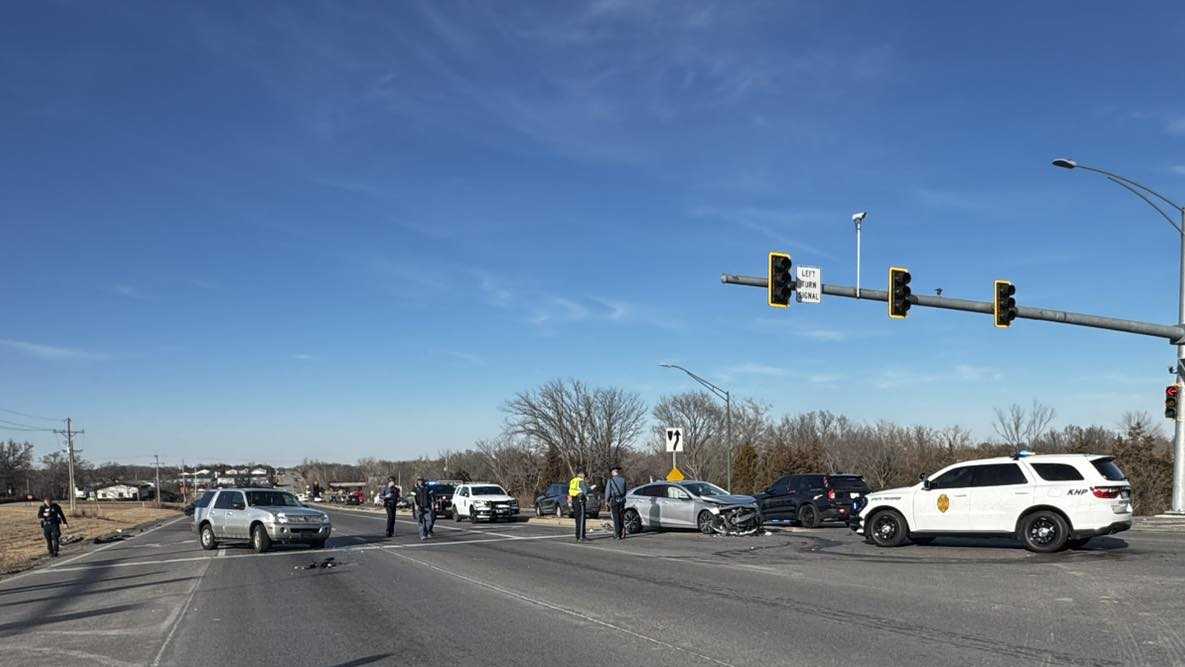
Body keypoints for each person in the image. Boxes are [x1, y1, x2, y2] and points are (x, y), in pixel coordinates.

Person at [568, 469, 593, 542]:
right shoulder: (581, 481)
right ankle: (582, 537)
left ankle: (578, 535)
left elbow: (570, 491)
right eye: (584, 475)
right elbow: (585, 491)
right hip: (580, 500)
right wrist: (590, 488)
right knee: (581, 519)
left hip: (574, 500)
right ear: (581, 474)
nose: (584, 476)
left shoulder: (573, 481)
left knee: (577, 519)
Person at [605, 465, 628, 539]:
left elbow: (608, 492)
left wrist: (606, 501)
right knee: (621, 517)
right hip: (622, 500)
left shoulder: (610, 480)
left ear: (613, 472)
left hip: (614, 500)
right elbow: (625, 491)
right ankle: (621, 533)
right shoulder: (623, 480)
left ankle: (617, 534)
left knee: (616, 517)